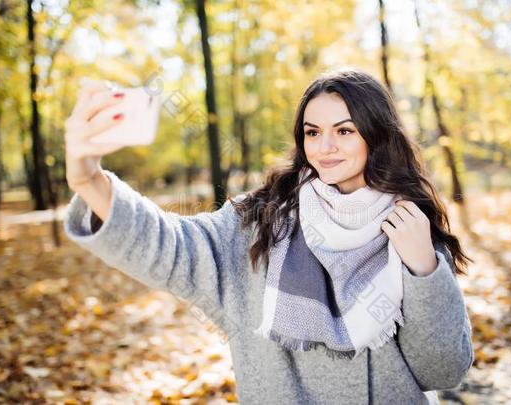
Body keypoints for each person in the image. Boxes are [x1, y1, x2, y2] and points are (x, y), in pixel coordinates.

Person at [63, 69, 474, 404]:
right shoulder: (261, 222)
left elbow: (442, 371)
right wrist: (88, 180)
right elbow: (172, 245)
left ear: (377, 134)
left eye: (345, 131)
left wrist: (424, 268)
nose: (325, 147)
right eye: (313, 132)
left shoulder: (407, 225)